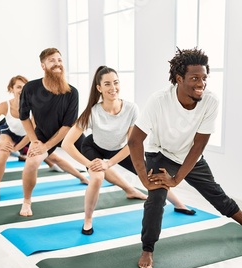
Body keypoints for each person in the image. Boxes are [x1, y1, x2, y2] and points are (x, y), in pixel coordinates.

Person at [128, 48, 242, 268]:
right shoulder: (159, 101)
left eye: (204, 78)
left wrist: (177, 179)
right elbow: (135, 141)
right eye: (194, 78)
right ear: (179, 79)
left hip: (190, 153)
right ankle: (147, 249)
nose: (201, 83)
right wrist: (144, 179)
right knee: (156, 199)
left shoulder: (210, 101)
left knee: (216, 193)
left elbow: (199, 144)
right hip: (160, 153)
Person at [62, 66, 195, 235]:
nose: (113, 88)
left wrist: (109, 163)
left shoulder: (131, 108)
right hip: (94, 147)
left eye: (116, 83)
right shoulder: (92, 112)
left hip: (120, 149)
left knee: (150, 175)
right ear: (99, 88)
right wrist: (90, 164)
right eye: (107, 84)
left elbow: (133, 143)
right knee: (97, 178)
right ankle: (88, 219)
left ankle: (178, 204)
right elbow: (67, 143)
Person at [19, 47, 88, 217]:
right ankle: (26, 201)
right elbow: (24, 117)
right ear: (43, 66)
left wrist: (47, 146)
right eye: (52, 60)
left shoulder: (72, 92)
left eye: (59, 60)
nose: (57, 64)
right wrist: (35, 142)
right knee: (31, 164)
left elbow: (67, 125)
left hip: (69, 134)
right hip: (42, 134)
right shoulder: (31, 88)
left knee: (95, 161)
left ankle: (129, 189)